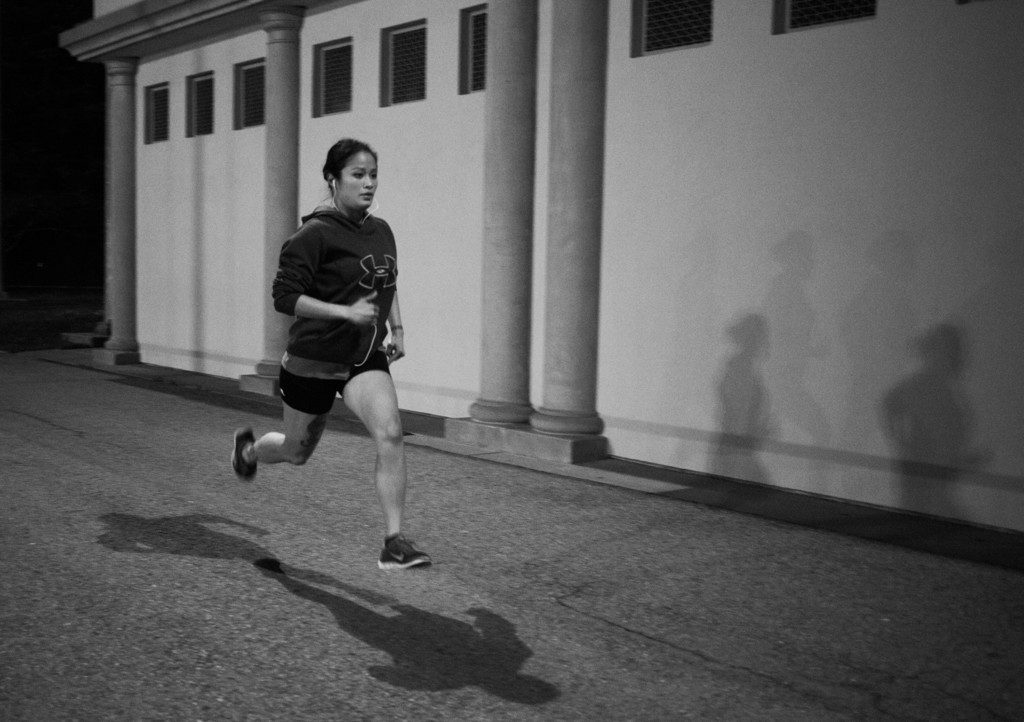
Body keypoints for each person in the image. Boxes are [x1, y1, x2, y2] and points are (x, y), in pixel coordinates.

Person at [231, 138, 430, 570]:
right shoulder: (312, 235)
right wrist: (343, 311)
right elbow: (284, 297)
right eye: (358, 175)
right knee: (296, 452)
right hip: (313, 360)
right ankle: (248, 451)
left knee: (391, 433)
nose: (369, 183)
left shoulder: (381, 230)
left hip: (361, 357)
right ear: (332, 179)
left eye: (374, 174)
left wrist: (396, 326)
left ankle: (394, 543)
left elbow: (385, 283)